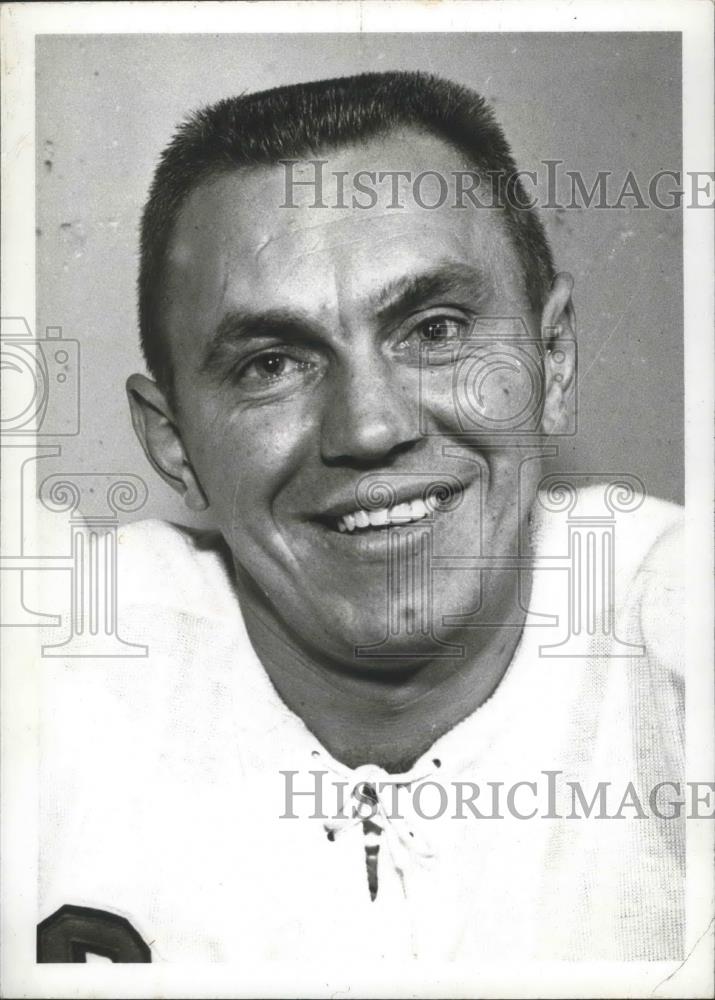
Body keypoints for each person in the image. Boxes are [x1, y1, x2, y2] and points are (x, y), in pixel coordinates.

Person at [38, 71, 684, 967]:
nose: (369, 428)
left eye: (435, 330)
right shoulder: (49, 686)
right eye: (270, 363)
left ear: (554, 359)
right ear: (175, 443)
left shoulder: (683, 634)